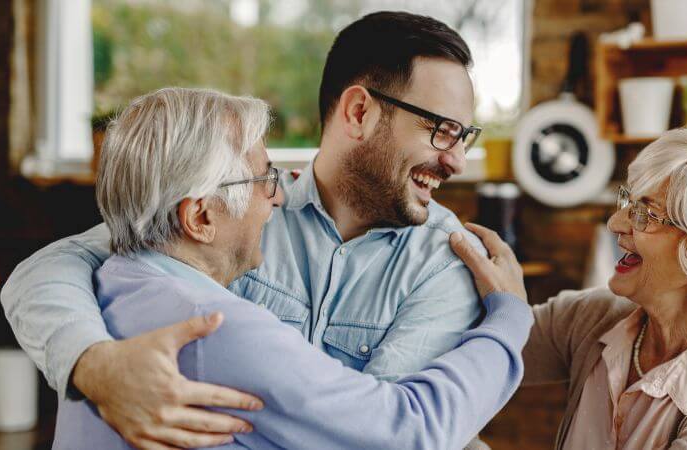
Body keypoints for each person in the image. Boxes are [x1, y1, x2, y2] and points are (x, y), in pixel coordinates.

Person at [1, 12, 487, 448]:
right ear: (359, 112)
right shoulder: (231, 209)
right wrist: (95, 366)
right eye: (441, 130)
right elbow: (48, 269)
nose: (457, 161)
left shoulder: (448, 260)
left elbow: (383, 436)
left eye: (465, 137)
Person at [53, 86, 530, 450]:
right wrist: (509, 318)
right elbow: (410, 431)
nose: (279, 197)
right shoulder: (210, 326)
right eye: (264, 179)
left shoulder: (113, 282)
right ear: (200, 217)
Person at [453, 128, 687, 449]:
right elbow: (454, 359)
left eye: (647, 214)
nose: (615, 223)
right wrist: (505, 313)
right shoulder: (592, 317)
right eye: (629, 202)